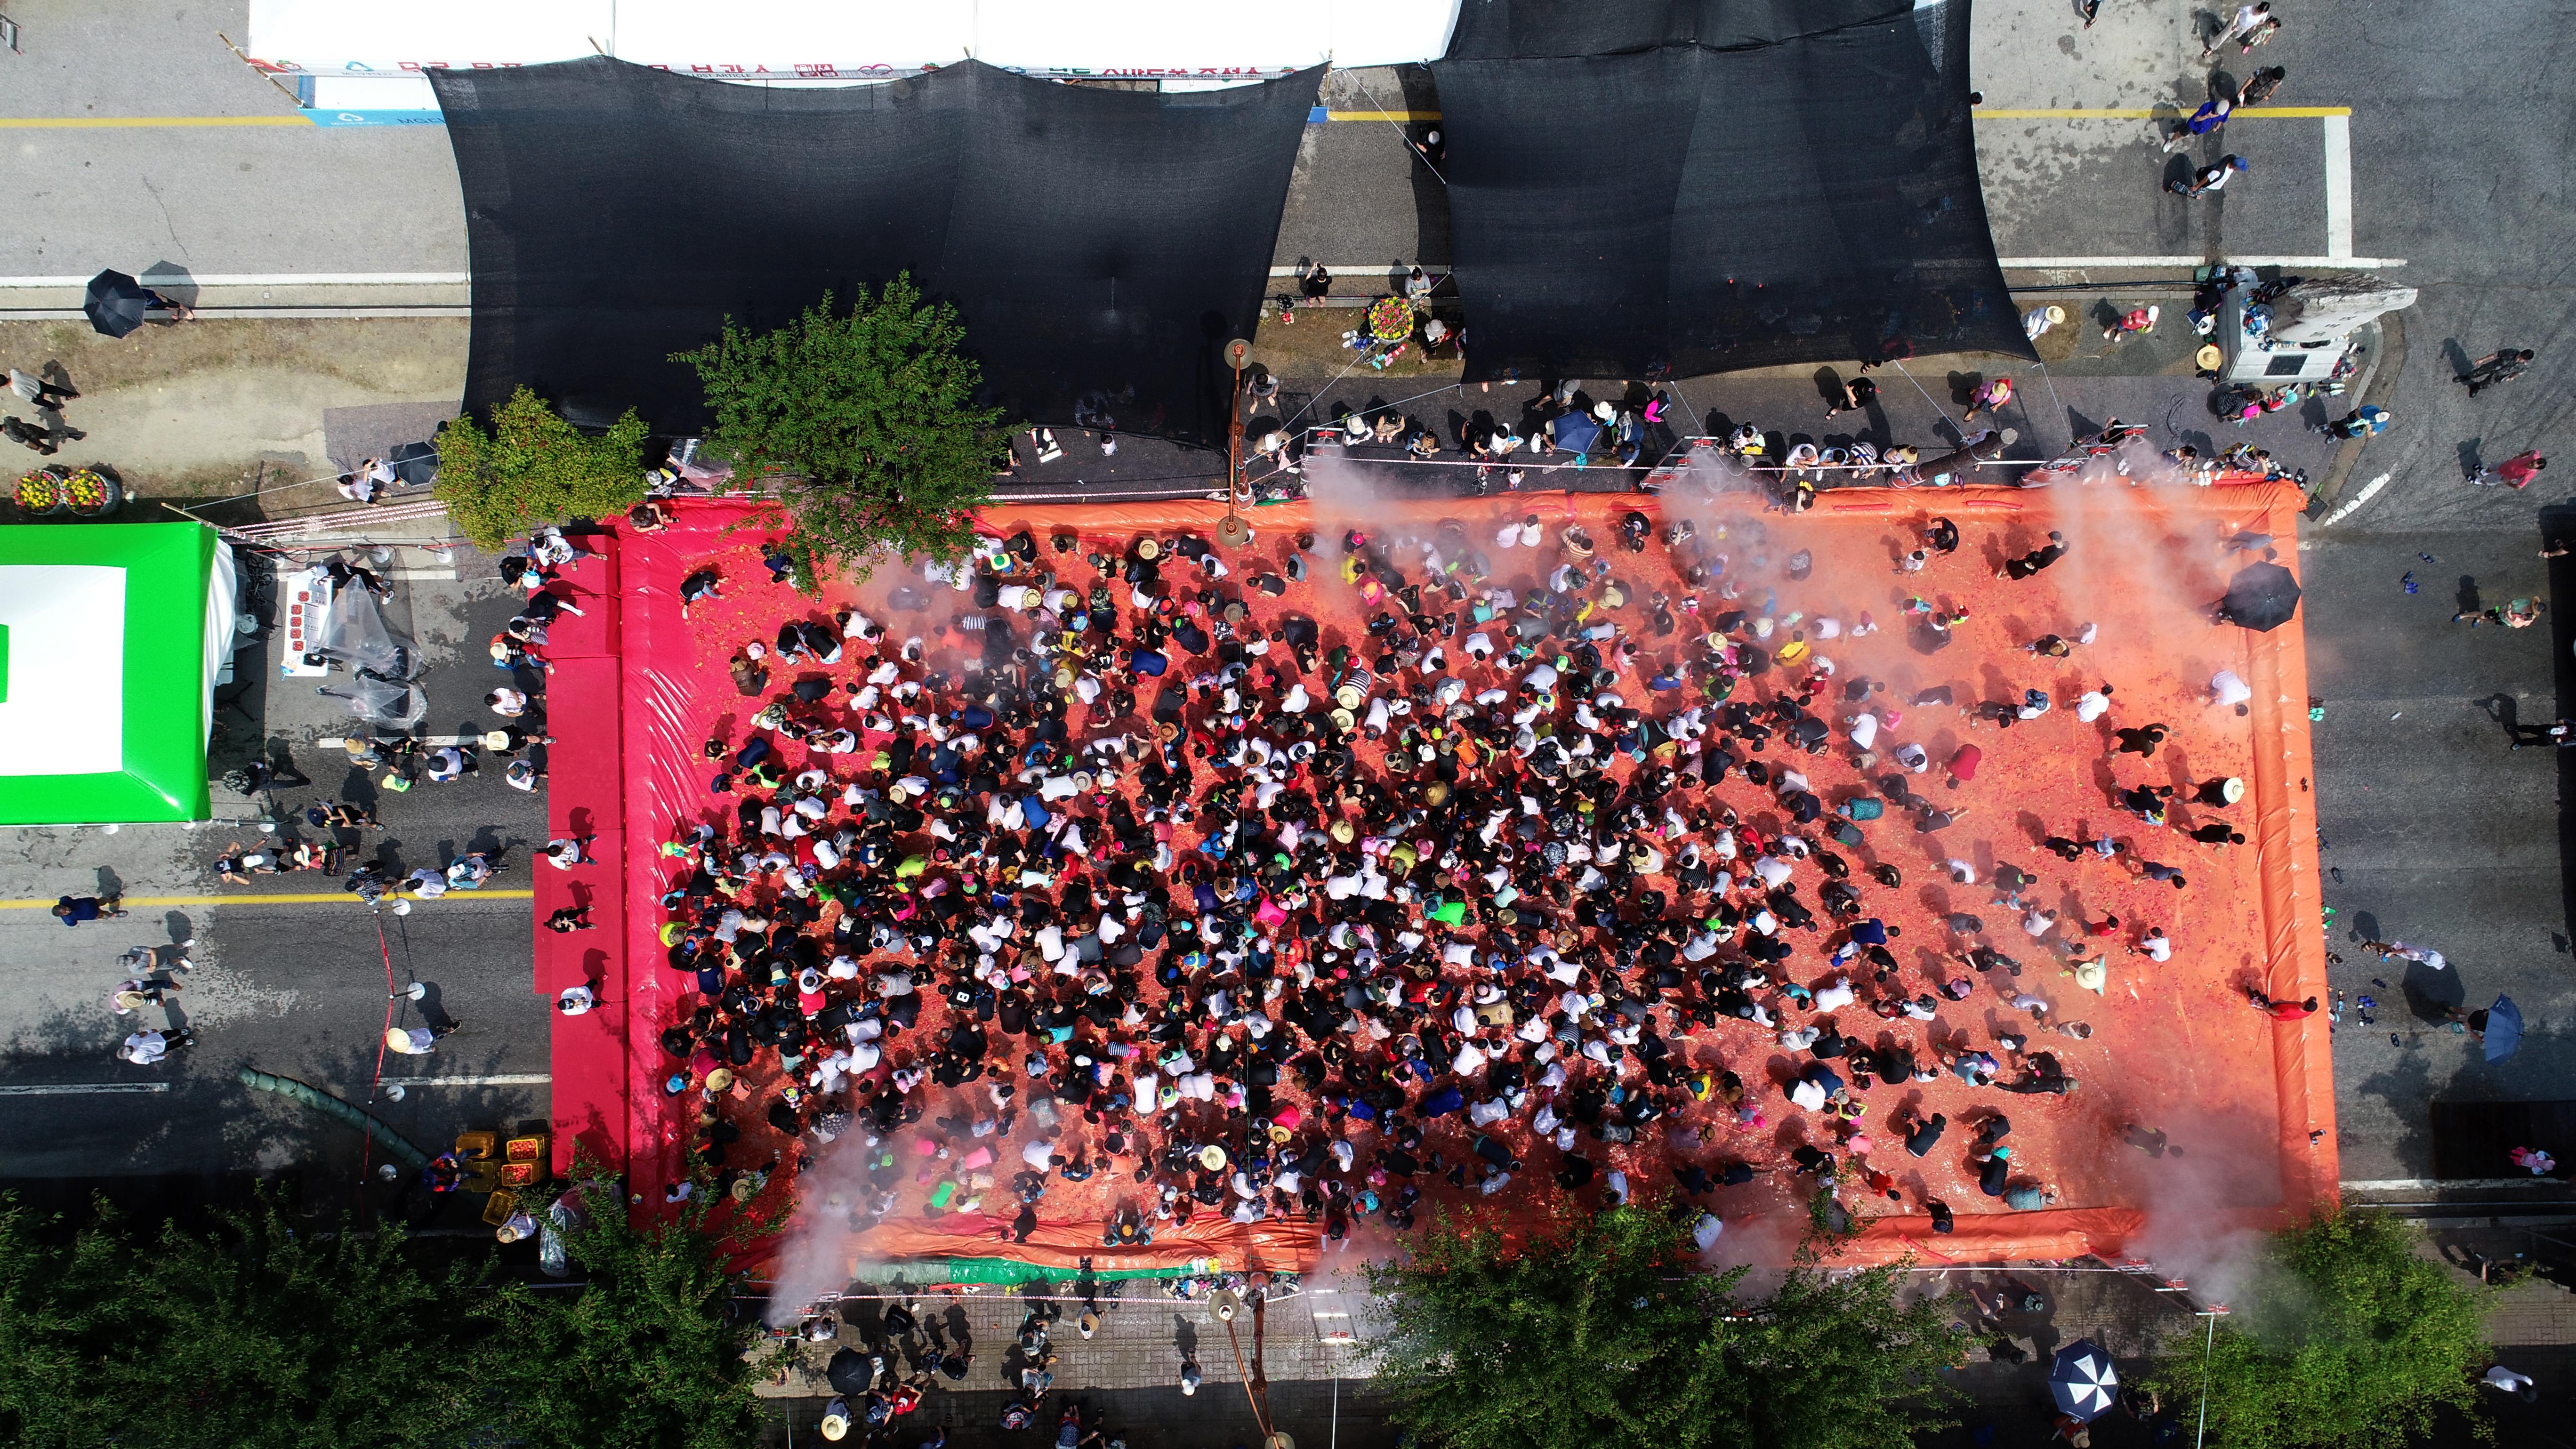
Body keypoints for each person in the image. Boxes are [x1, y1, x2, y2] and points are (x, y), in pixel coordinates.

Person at [2463, 348, 2536, 396]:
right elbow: (2496, 355)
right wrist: (2483, 360)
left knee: (2487, 384)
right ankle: (2467, 377)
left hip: (2500, 375)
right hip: (2493, 366)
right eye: (2520, 356)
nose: (2519, 358)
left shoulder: (2523, 366)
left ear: (2526, 360)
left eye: (2522, 359)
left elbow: (2518, 373)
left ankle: (2476, 387)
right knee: (2478, 372)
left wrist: (2511, 378)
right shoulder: (2512, 352)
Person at [2170, 155, 2249, 197]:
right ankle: (2176, 185)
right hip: (2208, 184)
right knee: (2194, 192)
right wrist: (2196, 187)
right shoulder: (2218, 172)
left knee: (2197, 191)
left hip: (2214, 180)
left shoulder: (2231, 157)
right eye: (2239, 169)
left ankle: (2193, 192)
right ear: (2234, 167)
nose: (2239, 170)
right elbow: (2206, 179)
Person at [2472, 450, 2546, 488]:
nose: (2531, 463)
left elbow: (2519, 487)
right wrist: (2520, 456)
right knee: (2492, 467)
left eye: (2532, 465)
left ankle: (2480, 481)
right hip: (2505, 464)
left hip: (2502, 476)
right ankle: (2484, 472)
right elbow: (2534, 451)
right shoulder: (2535, 456)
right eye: (2533, 462)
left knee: (2489, 481)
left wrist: (2508, 483)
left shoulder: (2529, 475)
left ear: (2537, 469)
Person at [52, 893, 124, 926]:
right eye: (65, 912)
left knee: (103, 900)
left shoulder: (64, 901)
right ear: (62, 916)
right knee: (106, 915)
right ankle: (114, 915)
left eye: (66, 908)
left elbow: (67, 897)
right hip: (95, 914)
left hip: (92, 902)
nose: (68, 910)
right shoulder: (69, 920)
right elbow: (73, 924)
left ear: (62, 905)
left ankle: (112, 900)